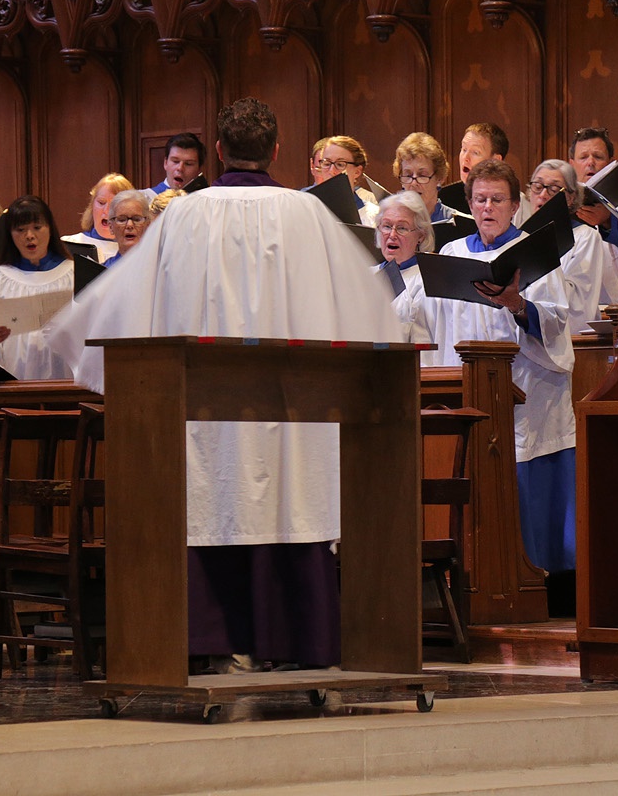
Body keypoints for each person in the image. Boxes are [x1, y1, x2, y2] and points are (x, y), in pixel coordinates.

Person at [49, 97, 402, 670]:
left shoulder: (185, 215)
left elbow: (124, 303)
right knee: (288, 496)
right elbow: (365, 309)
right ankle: (296, 644)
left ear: (217, 151)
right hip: (294, 411)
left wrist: (67, 338)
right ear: (279, 152)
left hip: (204, 408)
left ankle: (210, 643)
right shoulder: (308, 215)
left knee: (212, 495)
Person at [395, 159, 578, 610]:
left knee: (528, 497)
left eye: (497, 199)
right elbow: (407, 312)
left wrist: (517, 303)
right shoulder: (451, 256)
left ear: (515, 205)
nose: (487, 207)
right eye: (479, 199)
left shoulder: (536, 255)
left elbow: (556, 322)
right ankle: (468, 583)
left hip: (525, 399)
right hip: (467, 395)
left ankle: (537, 589)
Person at [0, 196, 75, 380]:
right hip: (12, 386)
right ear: (10, 235)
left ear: (50, 229)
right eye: (20, 229)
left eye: (37, 227)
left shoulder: (74, 274)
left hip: (66, 382)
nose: (29, 236)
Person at [528, 160, 613, 333]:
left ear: (570, 198)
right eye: (537, 186)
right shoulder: (518, 237)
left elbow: (579, 302)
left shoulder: (585, 237)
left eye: (553, 189)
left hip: (568, 341)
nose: (543, 195)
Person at [568, 126, 618, 303]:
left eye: (598, 156)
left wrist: (609, 223)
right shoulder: (561, 211)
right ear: (571, 164)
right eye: (583, 157)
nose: (590, 163)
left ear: (611, 163)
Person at [374, 191, 434, 344]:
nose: (392, 234)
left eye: (402, 228)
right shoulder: (365, 275)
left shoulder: (426, 281)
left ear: (421, 235)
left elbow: (424, 344)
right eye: (386, 226)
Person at [392, 132, 465, 223]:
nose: (414, 183)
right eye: (408, 175)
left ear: (439, 178)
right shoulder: (388, 223)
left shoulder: (459, 223)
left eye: (422, 175)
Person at [63, 173, 135, 262]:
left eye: (114, 205)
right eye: (101, 203)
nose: (106, 211)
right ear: (92, 206)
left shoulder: (139, 251)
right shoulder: (68, 245)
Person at [311, 134, 378, 225]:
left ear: (357, 172)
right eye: (327, 163)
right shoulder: (307, 211)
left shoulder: (374, 216)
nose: (332, 171)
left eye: (340, 164)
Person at [103, 189, 150, 266]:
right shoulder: (102, 274)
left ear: (148, 225)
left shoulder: (160, 271)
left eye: (137, 219)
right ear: (111, 227)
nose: (129, 225)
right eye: (122, 220)